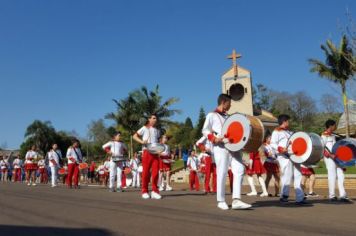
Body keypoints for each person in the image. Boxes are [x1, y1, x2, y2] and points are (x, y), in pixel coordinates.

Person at [202, 93, 251, 210]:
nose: (231, 105)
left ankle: (236, 200)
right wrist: (214, 138)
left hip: (234, 147)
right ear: (223, 102)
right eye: (230, 103)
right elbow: (205, 130)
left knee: (239, 169)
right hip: (220, 147)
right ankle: (221, 200)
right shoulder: (211, 115)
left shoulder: (229, 117)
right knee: (222, 172)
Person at [271, 114, 306, 205]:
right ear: (284, 121)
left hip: (294, 156)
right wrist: (281, 149)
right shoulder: (276, 131)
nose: (289, 122)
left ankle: (299, 198)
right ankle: (284, 196)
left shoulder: (290, 132)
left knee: (298, 175)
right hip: (284, 156)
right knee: (287, 176)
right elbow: (272, 144)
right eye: (288, 121)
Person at [133, 114, 162, 200]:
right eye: (153, 118)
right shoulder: (144, 128)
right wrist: (142, 142)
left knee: (156, 172)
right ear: (149, 119)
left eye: (156, 118)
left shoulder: (157, 130)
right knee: (145, 173)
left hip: (155, 152)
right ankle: (144, 191)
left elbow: (157, 141)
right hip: (146, 152)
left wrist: (159, 149)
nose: (155, 120)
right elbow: (134, 136)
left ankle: (154, 191)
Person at [322, 119, 350, 202]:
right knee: (332, 176)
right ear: (330, 126)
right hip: (329, 158)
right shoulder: (324, 135)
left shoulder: (333, 135)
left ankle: (342, 195)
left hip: (337, 158)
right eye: (334, 125)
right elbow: (322, 148)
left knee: (341, 175)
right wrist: (330, 155)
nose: (336, 126)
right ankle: (332, 195)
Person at [262, 132, 280, 197]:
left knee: (277, 177)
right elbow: (268, 154)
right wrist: (273, 154)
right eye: (270, 138)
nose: (271, 139)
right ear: (266, 139)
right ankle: (265, 191)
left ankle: (277, 192)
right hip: (269, 162)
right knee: (268, 177)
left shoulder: (273, 145)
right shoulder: (265, 146)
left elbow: (276, 153)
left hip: (275, 162)